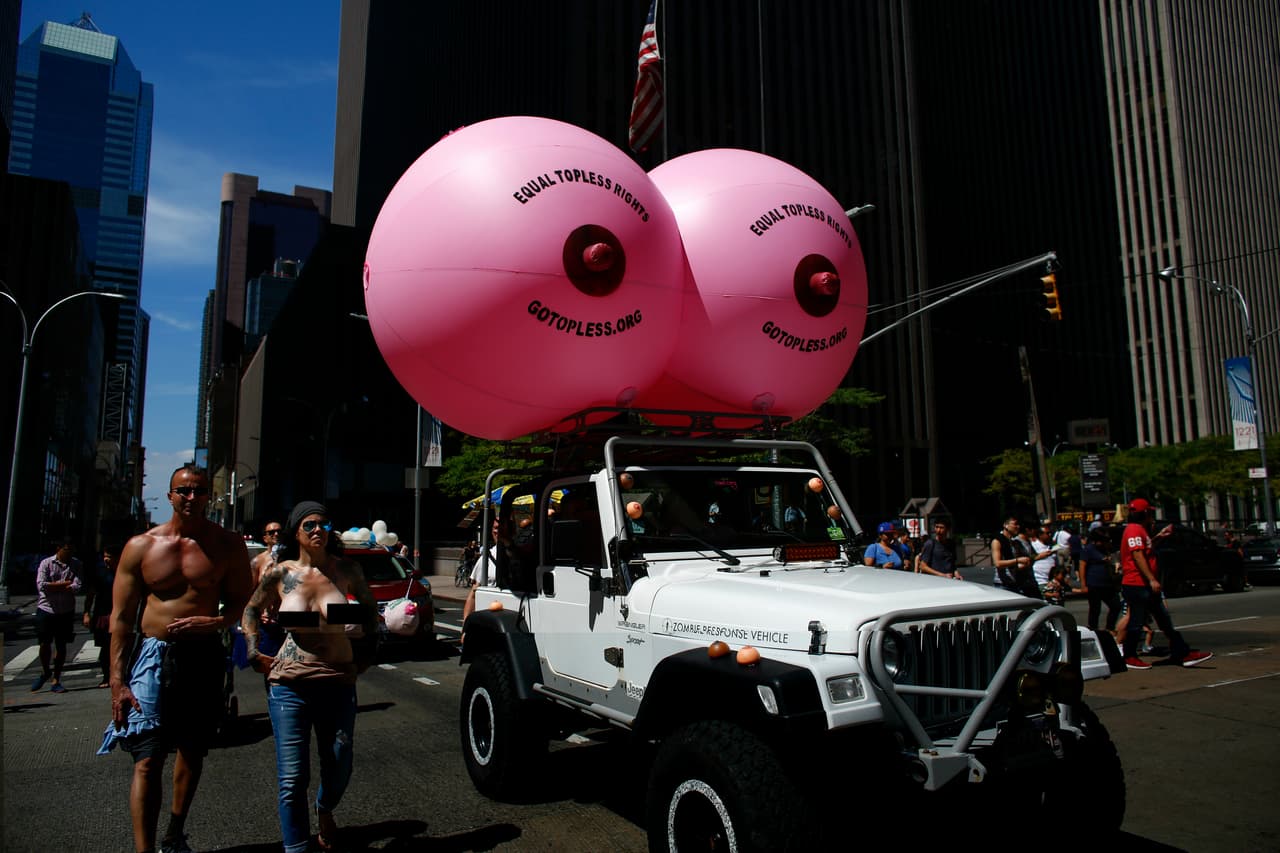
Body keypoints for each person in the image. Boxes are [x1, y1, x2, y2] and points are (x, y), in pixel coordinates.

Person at [98, 464, 252, 853]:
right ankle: (144, 849)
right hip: (153, 656)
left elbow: (240, 601)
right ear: (170, 496)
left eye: (198, 491)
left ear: (207, 497)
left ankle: (174, 832)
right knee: (147, 758)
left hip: (202, 655)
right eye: (183, 490)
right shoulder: (141, 547)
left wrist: (216, 621)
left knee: (192, 749)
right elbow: (121, 619)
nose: (191, 497)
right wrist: (118, 681)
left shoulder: (227, 544)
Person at [242, 501, 377, 853]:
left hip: (338, 681)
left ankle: (325, 808)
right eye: (309, 525)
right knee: (292, 778)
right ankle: (297, 848)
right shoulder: (281, 573)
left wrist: (365, 656)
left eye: (324, 524)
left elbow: (370, 616)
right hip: (289, 684)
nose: (318, 530)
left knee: (340, 761)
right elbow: (251, 610)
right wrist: (254, 651)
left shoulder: (347, 569)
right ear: (296, 533)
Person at [1119, 498, 1212, 670]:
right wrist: (1151, 579)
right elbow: (1138, 556)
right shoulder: (1134, 530)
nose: (1152, 516)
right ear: (1145, 513)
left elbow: (1145, 549)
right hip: (1137, 584)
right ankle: (1129, 656)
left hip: (1142, 584)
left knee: (1163, 620)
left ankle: (1181, 653)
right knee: (1137, 622)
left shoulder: (1138, 530)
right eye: (1150, 512)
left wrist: (1160, 537)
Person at [31, 540, 83, 693]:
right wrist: (64, 585)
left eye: (72, 550)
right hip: (46, 608)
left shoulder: (77, 564)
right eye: (67, 549)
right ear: (59, 549)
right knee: (44, 643)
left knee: (61, 645)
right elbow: (42, 585)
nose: (69, 553)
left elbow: (77, 587)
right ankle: (45, 671)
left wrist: (56, 586)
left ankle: (56, 679)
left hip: (66, 610)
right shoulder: (46, 563)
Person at [82, 544, 120, 688]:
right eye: (104, 556)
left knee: (119, 646)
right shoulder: (100, 574)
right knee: (105, 648)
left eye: (108, 557)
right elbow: (90, 595)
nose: (105, 559)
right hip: (102, 614)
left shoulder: (123, 573)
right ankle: (106, 676)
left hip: (119, 614)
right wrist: (86, 613)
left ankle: (119, 675)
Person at [1078, 526, 1121, 635]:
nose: (1107, 542)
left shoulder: (1108, 549)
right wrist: (1083, 585)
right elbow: (1082, 567)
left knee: (1116, 605)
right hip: (1094, 584)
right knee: (1095, 609)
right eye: (1104, 540)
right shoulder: (1088, 550)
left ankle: (1110, 628)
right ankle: (1093, 630)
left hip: (1108, 583)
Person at [991, 516, 1036, 597]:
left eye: (1018, 524)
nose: (1018, 527)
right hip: (1002, 585)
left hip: (1014, 583)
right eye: (1015, 524)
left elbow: (1014, 564)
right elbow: (997, 563)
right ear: (1005, 525)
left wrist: (1022, 564)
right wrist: (1018, 560)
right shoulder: (997, 541)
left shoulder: (1014, 543)